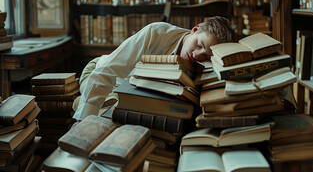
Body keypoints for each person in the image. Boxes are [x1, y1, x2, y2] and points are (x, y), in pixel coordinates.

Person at [72, 16, 239, 121]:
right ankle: (82, 105)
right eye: (199, 45)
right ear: (194, 30)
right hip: (103, 73)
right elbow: (107, 71)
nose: (197, 56)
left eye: (206, 56)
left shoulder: (206, 65)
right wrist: (83, 121)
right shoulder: (156, 33)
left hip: (139, 91)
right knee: (112, 109)